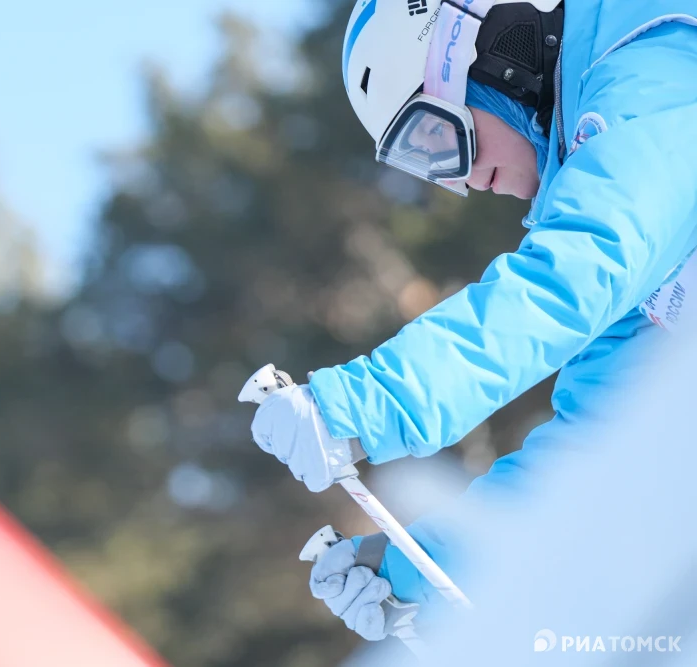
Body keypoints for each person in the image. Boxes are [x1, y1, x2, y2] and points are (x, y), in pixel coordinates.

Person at [249, 0, 697, 642]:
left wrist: (367, 404)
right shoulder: (635, 224)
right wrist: (421, 566)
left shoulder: (658, 66)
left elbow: (577, 271)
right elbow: (602, 450)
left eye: (433, 135)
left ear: (493, 47)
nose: (458, 178)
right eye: (422, 162)